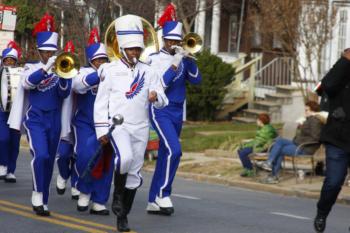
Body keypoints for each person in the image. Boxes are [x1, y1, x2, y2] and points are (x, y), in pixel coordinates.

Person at [94, 14, 167, 232]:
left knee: (135, 174)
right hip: (119, 126)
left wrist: (157, 97)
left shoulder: (149, 70)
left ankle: (122, 215)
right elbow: (101, 102)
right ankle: (117, 196)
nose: (135, 52)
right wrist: (101, 130)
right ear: (123, 48)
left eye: (138, 48)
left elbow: (164, 99)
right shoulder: (110, 69)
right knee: (123, 158)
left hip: (141, 127)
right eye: (131, 48)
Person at [146, 20, 202, 216]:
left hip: (178, 111)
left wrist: (189, 58)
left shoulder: (184, 59)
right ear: (163, 40)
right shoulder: (154, 59)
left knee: (165, 154)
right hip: (160, 110)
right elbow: (161, 85)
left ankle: (153, 200)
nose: (174, 44)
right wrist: (176, 61)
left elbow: (197, 80)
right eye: (170, 41)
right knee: (175, 150)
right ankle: (163, 193)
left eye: (177, 41)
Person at [21, 13, 72, 216]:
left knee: (50, 160)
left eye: (52, 51)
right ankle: (36, 191)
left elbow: (65, 92)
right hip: (35, 119)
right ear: (39, 51)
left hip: (54, 119)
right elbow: (28, 83)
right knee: (40, 155)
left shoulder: (61, 68)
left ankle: (44, 199)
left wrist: (61, 75)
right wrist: (45, 68)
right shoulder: (31, 66)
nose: (49, 55)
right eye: (45, 52)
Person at [72, 28, 112, 215]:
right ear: (91, 61)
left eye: (104, 60)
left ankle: (99, 200)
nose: (101, 63)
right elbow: (78, 86)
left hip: (107, 124)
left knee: (106, 161)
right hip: (85, 123)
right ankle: (84, 190)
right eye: (98, 60)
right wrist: (99, 74)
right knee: (85, 156)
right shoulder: (83, 71)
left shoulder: (114, 71)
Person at [313, 49, 350, 233]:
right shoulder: (342, 71)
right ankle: (322, 212)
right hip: (338, 138)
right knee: (334, 182)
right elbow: (325, 86)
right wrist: (345, 61)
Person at [258, 101, 324, 184]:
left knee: (280, 150)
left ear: (313, 111)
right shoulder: (310, 119)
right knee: (279, 141)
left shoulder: (315, 121)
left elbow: (316, 138)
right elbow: (307, 133)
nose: (305, 112)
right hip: (298, 144)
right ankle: (269, 164)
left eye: (306, 110)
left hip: (305, 148)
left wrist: (300, 140)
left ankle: (273, 174)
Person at [0, 41, 22, 183]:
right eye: (6, 60)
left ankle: (10, 171)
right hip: (1, 112)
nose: (9, 62)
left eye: (11, 60)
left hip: (16, 112)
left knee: (14, 142)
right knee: (3, 138)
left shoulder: (21, 73)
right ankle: (2, 164)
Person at [238, 113, 277, 177]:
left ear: (261, 121)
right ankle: (247, 168)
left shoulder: (267, 129)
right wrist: (249, 142)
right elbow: (258, 139)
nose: (256, 121)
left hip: (262, 148)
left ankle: (250, 170)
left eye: (257, 120)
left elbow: (260, 142)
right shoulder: (262, 128)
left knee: (243, 152)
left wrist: (247, 144)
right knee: (240, 150)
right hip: (258, 145)